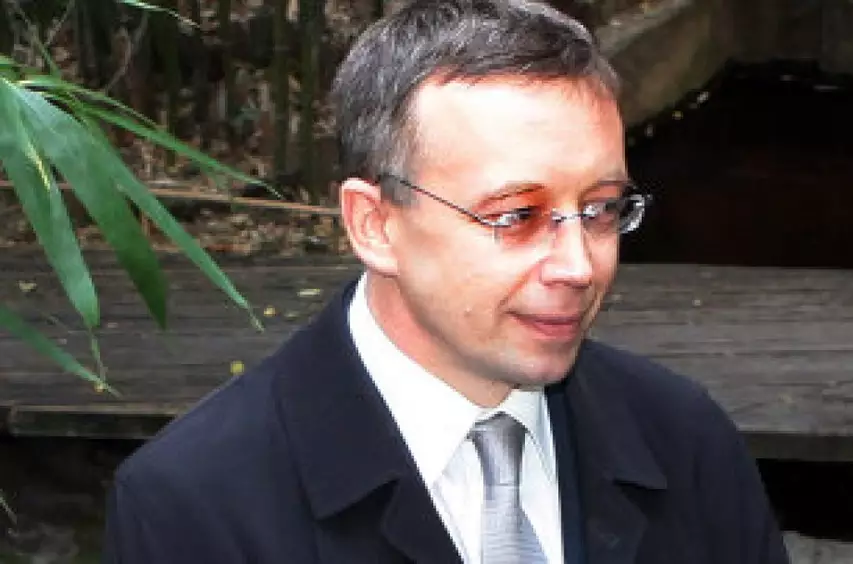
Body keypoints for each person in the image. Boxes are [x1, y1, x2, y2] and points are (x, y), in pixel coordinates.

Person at [101, 0, 790, 562]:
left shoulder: (684, 439)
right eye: (517, 216)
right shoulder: (195, 505)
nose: (579, 266)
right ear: (375, 224)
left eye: (601, 209)